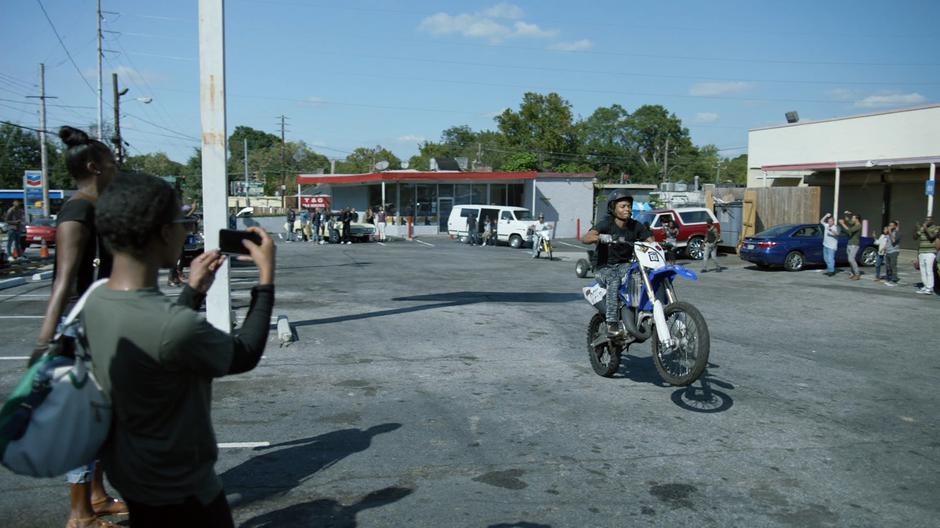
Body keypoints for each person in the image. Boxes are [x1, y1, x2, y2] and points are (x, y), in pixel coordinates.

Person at [84, 171, 276, 528]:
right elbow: (245, 353)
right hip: (184, 493)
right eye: (184, 221)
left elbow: (158, 345)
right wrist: (266, 279)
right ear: (163, 232)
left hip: (133, 478)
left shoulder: (96, 300)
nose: (188, 229)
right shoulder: (174, 326)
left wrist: (193, 292)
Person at [31, 126, 125, 528]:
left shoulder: (97, 206)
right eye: (109, 160)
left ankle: (98, 497)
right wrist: (45, 341)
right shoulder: (78, 210)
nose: (115, 165)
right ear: (93, 166)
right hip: (81, 329)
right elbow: (64, 280)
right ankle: (79, 514)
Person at [582, 191, 653, 338]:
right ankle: (611, 324)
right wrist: (601, 237)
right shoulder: (606, 223)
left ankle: (642, 313)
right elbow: (586, 237)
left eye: (629, 206)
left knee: (644, 275)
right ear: (613, 208)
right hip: (604, 267)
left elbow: (649, 240)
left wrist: (655, 244)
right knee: (613, 279)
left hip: (624, 265)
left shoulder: (635, 226)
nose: (627, 209)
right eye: (623, 206)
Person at [914, 216, 939, 294]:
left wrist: (925, 228)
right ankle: (925, 286)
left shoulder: (936, 228)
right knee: (923, 271)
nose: (927, 221)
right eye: (926, 219)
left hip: (930, 252)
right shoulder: (922, 228)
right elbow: (915, 237)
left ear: (932, 221)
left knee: (929, 270)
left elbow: (931, 237)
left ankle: (930, 288)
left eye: (929, 220)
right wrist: (916, 228)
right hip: (922, 252)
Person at [839, 211, 862, 280]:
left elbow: (850, 231)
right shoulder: (854, 224)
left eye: (853, 218)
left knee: (851, 259)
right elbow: (849, 221)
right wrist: (846, 214)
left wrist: (842, 224)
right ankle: (853, 273)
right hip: (850, 243)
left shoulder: (858, 225)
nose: (852, 219)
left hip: (854, 244)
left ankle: (857, 274)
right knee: (850, 260)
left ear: (856, 219)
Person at [884, 220, 901, 285]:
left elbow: (893, 241)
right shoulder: (888, 233)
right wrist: (885, 247)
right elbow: (887, 241)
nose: (889, 227)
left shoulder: (898, 233)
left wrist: (890, 231)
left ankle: (894, 278)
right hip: (888, 251)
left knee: (893, 265)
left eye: (891, 225)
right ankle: (889, 277)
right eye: (889, 225)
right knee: (887, 266)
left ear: (895, 226)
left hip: (894, 251)